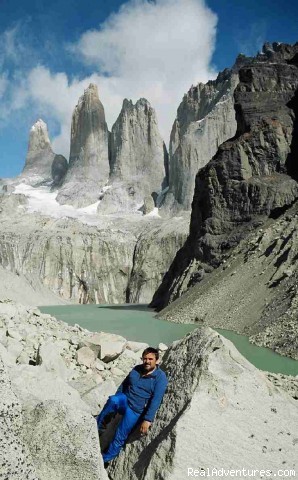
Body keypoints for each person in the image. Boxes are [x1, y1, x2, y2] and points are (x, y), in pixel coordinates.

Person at [97, 346, 168, 463]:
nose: (147, 361)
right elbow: (124, 385)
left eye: (150, 359)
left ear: (157, 360)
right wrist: (118, 396)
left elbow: (156, 399)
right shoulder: (137, 369)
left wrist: (147, 420)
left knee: (120, 435)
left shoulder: (160, 377)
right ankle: (97, 427)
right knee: (113, 400)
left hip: (136, 410)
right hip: (125, 400)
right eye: (145, 359)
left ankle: (104, 459)